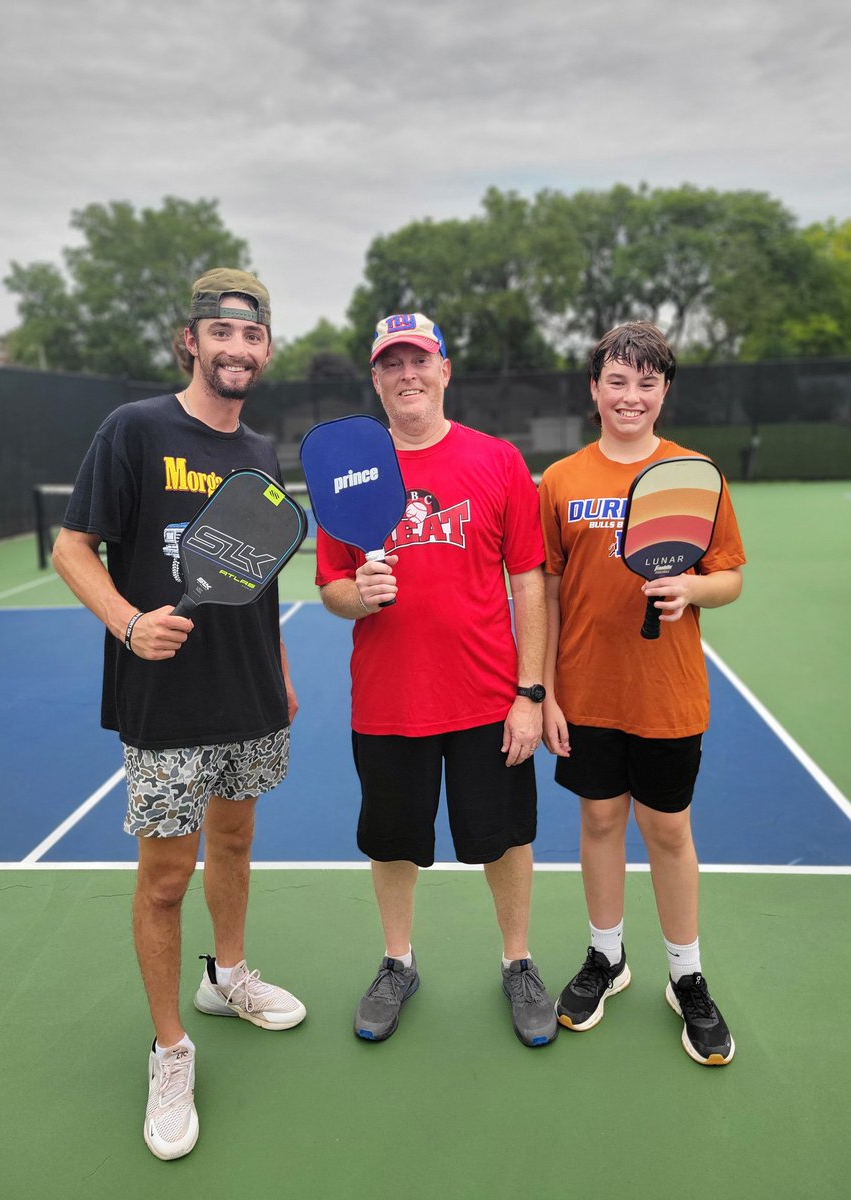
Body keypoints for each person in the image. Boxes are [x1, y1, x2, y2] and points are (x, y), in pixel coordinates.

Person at [53, 268, 306, 1160]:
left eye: (253, 336)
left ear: (265, 349)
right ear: (190, 341)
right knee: (164, 880)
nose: (238, 349)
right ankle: (170, 1049)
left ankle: (227, 975)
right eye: (221, 333)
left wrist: (277, 672)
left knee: (234, 845)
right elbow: (71, 547)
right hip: (164, 706)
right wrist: (126, 622)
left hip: (250, 699)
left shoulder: (264, 454)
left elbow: (260, 576)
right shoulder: (135, 430)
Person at [315, 312, 557, 1048]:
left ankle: (517, 963)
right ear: (377, 380)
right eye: (391, 364)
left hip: (487, 699)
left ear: (446, 371)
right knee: (391, 842)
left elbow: (530, 583)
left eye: (420, 360)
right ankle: (398, 962)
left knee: (505, 838)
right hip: (389, 701)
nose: (407, 375)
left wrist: (530, 694)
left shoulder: (497, 461)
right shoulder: (348, 474)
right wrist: (364, 592)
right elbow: (331, 591)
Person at [539, 321, 745, 1066]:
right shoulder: (560, 481)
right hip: (588, 695)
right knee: (598, 823)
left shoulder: (697, 472)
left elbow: (730, 575)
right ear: (594, 389)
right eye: (617, 381)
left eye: (646, 383)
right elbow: (551, 595)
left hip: (667, 694)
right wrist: (549, 692)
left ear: (664, 392)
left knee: (667, 833)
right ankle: (606, 957)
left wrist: (692, 587)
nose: (631, 396)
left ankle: (686, 975)